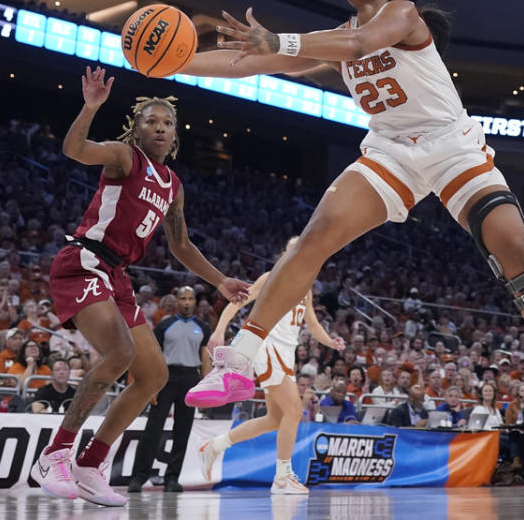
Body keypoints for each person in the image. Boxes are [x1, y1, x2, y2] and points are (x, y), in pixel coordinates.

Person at [181, 0, 524, 434]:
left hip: (451, 146)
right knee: (313, 237)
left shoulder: (405, 15)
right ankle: (238, 362)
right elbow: (249, 63)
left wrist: (280, 37)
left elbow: (362, 41)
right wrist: (177, 63)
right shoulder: (336, 35)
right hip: (390, 152)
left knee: (512, 244)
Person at [29, 67, 248, 506]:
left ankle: (91, 463)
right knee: (121, 354)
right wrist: (91, 107)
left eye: (167, 122)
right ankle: (54, 453)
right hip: (84, 262)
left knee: (154, 375)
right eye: (151, 120)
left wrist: (220, 280)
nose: (160, 127)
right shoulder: (125, 157)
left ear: (175, 134)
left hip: (117, 276)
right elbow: (74, 149)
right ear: (137, 128)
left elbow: (181, 244)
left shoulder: (173, 186)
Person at [198, 242, 345, 495]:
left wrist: (330, 341)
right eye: (293, 249)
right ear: (284, 254)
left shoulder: (305, 287)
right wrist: (220, 329)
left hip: (287, 354)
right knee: (294, 410)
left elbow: (312, 323)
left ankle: (214, 446)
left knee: (275, 419)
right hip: (267, 347)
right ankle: (282, 476)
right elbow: (238, 302)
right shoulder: (271, 277)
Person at [129, 286, 212, 493]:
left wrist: (206, 385)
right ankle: (138, 477)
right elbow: (154, 356)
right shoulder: (164, 325)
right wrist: (152, 385)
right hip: (165, 377)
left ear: (194, 301)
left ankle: (172, 478)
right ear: (175, 301)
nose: (186, 302)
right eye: (182, 298)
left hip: (190, 378)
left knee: (182, 431)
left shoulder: (203, 326)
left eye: (190, 298)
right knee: (152, 429)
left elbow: (204, 357)